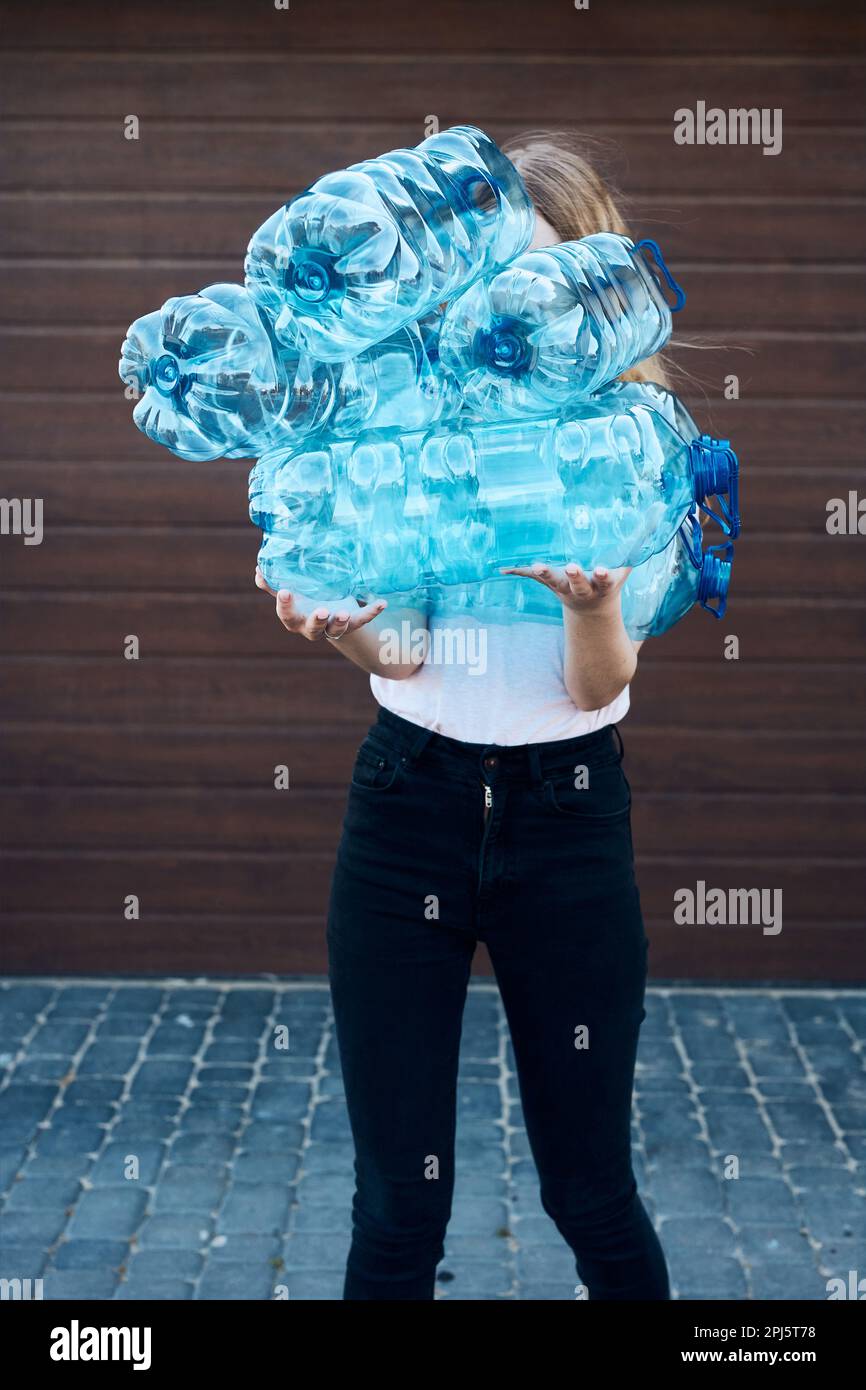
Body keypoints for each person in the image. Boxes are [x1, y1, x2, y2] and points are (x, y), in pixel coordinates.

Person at [256, 131, 672, 1301]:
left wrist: (592, 603)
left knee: (588, 1189)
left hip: (567, 820)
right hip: (409, 808)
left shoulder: (624, 454)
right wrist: (336, 618)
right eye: (485, 286)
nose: (509, 319)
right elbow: (404, 648)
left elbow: (596, 687)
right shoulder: (413, 437)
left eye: (538, 282)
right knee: (399, 1204)